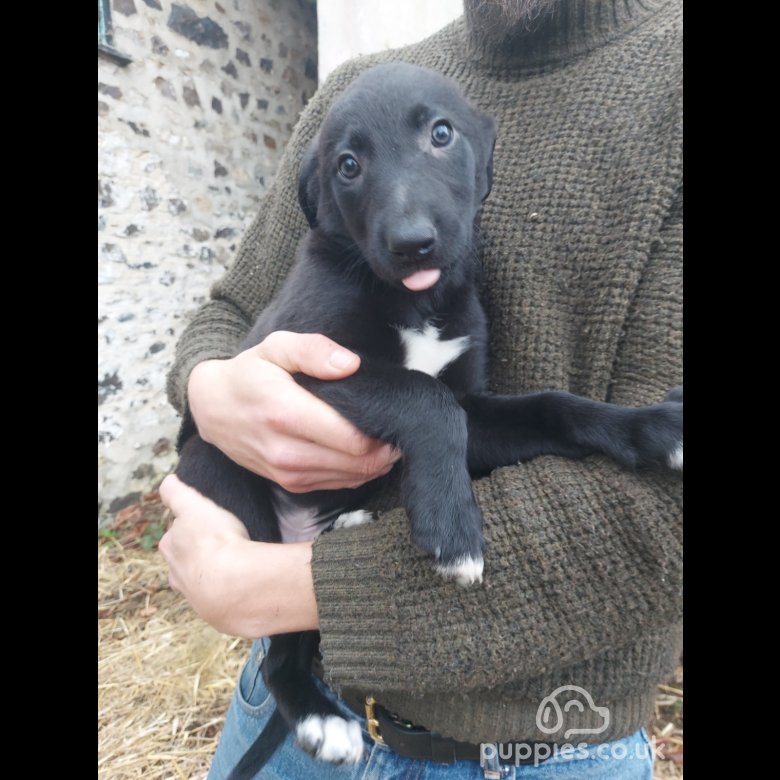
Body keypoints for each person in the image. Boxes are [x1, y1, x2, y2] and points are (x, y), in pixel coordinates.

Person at [158, 0, 683, 777]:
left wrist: (283, 586)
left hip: (543, 748)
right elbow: (236, 316)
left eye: (440, 139)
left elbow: (479, 434)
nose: (406, 220)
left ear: (480, 155)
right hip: (275, 605)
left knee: (456, 415)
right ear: (327, 201)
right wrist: (208, 388)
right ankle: (289, 678)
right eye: (352, 168)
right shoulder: (353, 108)